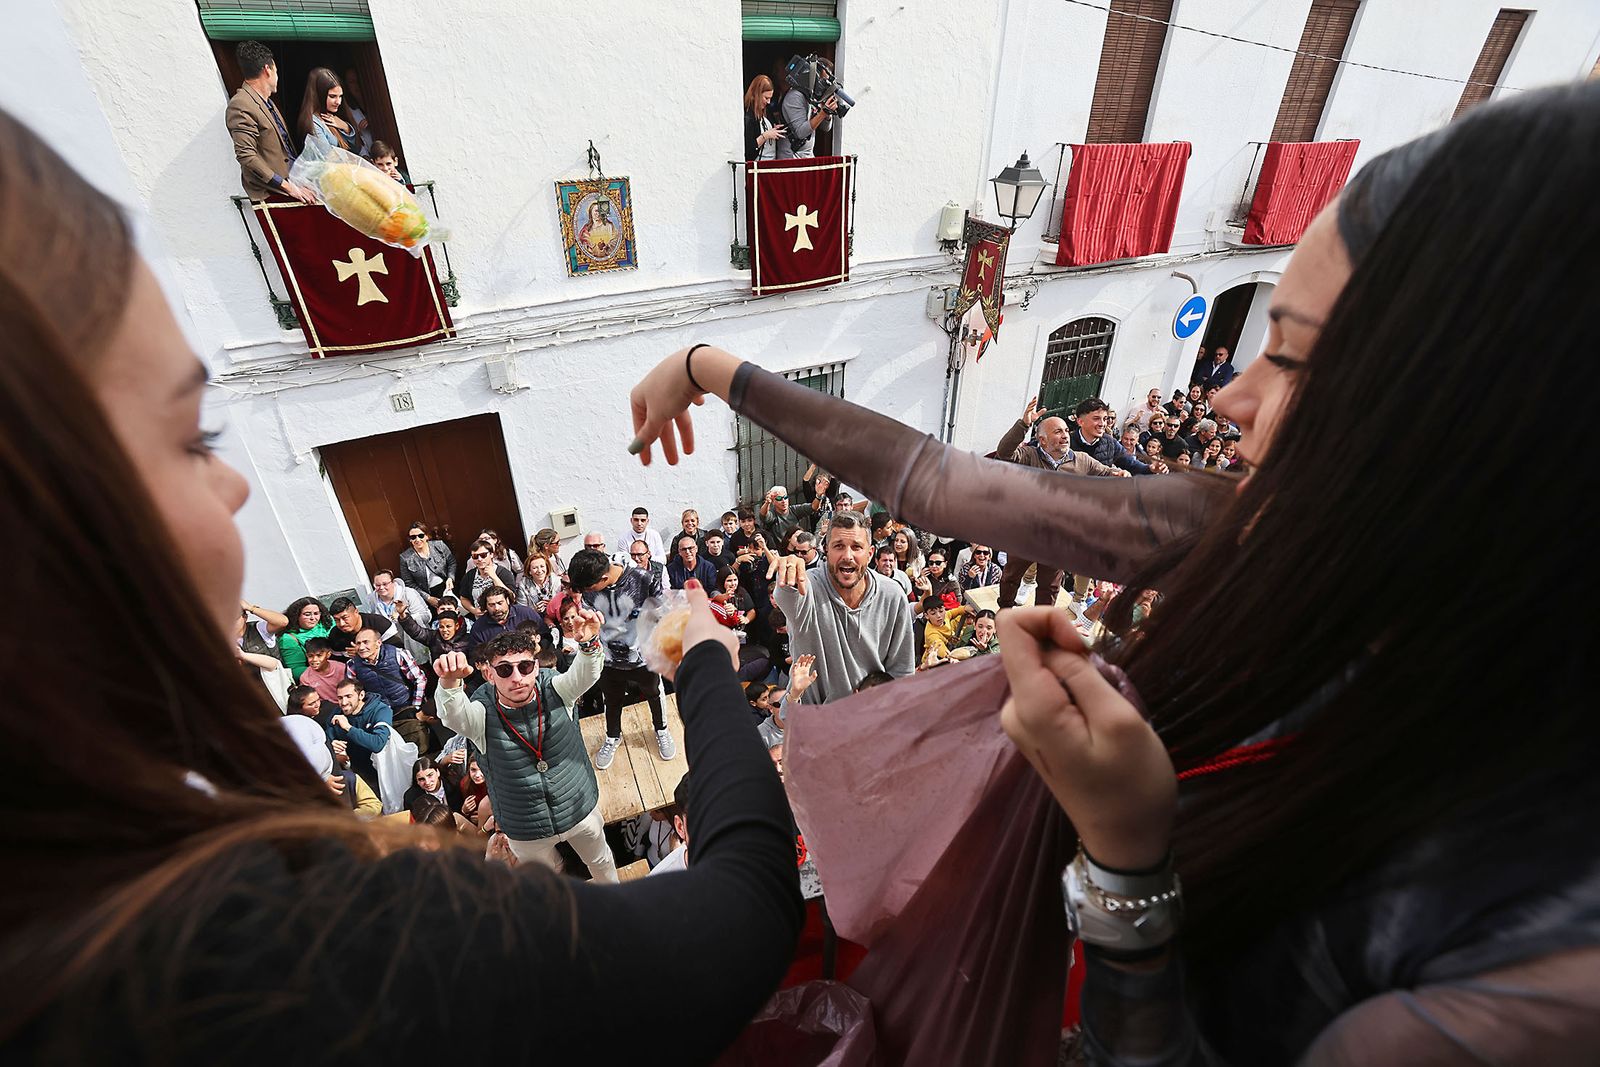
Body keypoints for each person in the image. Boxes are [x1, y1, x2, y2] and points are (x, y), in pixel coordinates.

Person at [623, 82, 1600, 1062]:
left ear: (1463, 420)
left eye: (1293, 357)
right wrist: (711, 366)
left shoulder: (1533, 957)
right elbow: (945, 483)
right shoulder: (1246, 526)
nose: (1228, 396)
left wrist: (1127, 855)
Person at [0, 109, 805, 1063]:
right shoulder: (301, 941)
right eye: (192, 439)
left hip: (578, 821)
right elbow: (746, 912)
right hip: (534, 838)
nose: (234, 484)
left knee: (597, 868)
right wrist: (705, 664)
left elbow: (585, 667)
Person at [434, 621, 621, 876]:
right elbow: (453, 716)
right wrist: (449, 683)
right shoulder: (481, 713)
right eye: (504, 670)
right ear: (489, 675)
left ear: (535, 668)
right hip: (525, 825)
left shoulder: (556, 689)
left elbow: (585, 674)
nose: (517, 678)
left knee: (600, 860)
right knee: (545, 877)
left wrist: (588, 644)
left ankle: (614, 906)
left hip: (577, 806)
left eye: (525, 666)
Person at [763, 512, 914, 705]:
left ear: (870, 553)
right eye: (839, 546)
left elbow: (902, 672)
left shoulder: (892, 595)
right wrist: (789, 570)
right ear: (826, 550)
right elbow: (787, 596)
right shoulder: (807, 588)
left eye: (857, 547)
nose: (847, 556)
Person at [994, 397, 1123, 609]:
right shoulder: (1029, 456)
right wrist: (1024, 424)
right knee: (1010, 578)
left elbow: (1108, 473)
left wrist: (1120, 474)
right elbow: (1004, 452)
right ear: (1042, 440)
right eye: (1057, 432)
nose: (1065, 436)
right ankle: (1005, 609)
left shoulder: (1081, 460)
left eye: (1065, 431)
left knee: (1050, 587)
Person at [568, 548, 675, 767]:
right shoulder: (589, 586)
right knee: (612, 699)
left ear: (603, 578)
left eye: (588, 588)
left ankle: (661, 730)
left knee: (654, 694)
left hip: (643, 657)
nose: (585, 593)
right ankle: (612, 736)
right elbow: (588, 615)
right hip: (607, 659)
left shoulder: (644, 579)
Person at [224, 40, 315, 205]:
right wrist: (288, 187)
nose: (277, 77)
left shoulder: (267, 101)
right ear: (267, 70)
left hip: (294, 183)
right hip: (274, 194)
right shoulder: (240, 104)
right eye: (276, 71)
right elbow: (246, 156)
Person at [345, 627, 429, 753]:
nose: (361, 647)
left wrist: (415, 706)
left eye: (366, 642)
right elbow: (352, 693)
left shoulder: (398, 654)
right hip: (380, 712)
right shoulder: (352, 665)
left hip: (405, 705)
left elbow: (419, 679)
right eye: (358, 643)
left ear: (378, 643)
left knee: (418, 741)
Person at [776, 55, 838, 160]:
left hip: (807, 157)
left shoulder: (812, 96)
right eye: (823, 80)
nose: (824, 85)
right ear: (815, 76)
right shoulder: (795, 96)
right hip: (791, 159)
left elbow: (826, 128)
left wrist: (827, 115)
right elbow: (801, 132)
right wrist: (822, 113)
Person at [1073, 398, 1153, 476]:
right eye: (1096, 419)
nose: (1102, 424)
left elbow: (1131, 464)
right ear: (1080, 422)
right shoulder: (1067, 443)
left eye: (1104, 419)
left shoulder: (1110, 442)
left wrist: (1151, 469)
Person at [296, 67, 359, 154]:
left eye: (340, 96)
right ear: (319, 95)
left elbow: (356, 149)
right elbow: (328, 158)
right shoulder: (313, 123)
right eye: (332, 96)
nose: (338, 102)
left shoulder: (331, 116)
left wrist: (346, 127)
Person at [399, 521, 456, 609]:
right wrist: (428, 598)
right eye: (413, 537)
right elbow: (409, 583)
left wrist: (450, 578)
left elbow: (451, 562)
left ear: (426, 536)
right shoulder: (405, 558)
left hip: (447, 586)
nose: (417, 540)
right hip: (426, 594)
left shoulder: (439, 545)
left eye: (421, 536)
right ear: (410, 539)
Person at [276, 595, 332, 675]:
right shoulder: (288, 638)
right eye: (307, 614)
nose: (313, 618)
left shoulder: (328, 622)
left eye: (316, 613)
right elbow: (296, 670)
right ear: (296, 616)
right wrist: (326, 672)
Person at [459, 538, 515, 617]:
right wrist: (473, 610)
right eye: (475, 556)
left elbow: (511, 597)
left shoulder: (503, 573)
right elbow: (463, 598)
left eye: (483, 555)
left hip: (503, 617)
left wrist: (494, 577)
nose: (479, 559)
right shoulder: (469, 576)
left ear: (491, 554)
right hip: (482, 620)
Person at [326, 596, 400, 653]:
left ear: (356, 612)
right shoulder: (335, 635)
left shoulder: (380, 624)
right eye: (336, 620)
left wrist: (365, 653)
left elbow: (398, 650)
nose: (341, 624)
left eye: (345, 617)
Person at [743, 74, 787, 161]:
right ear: (756, 94)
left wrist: (774, 129)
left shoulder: (766, 111)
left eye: (770, 98)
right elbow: (749, 149)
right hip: (758, 165)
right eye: (766, 98)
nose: (768, 102)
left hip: (771, 162)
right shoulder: (749, 116)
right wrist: (766, 135)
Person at [339, 66, 375, 157]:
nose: (357, 84)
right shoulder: (348, 110)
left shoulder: (376, 101)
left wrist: (374, 121)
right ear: (347, 86)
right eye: (352, 82)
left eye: (358, 80)